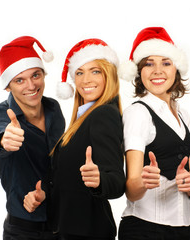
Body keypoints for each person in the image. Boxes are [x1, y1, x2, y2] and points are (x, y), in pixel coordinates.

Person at [23, 38, 126, 240]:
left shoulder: (103, 114)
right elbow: (66, 180)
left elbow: (117, 181)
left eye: (95, 71)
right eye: (79, 72)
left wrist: (99, 180)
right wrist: (43, 193)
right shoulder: (83, 117)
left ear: (109, 75)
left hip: (86, 232)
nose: (86, 80)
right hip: (69, 230)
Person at [117, 27, 190, 240]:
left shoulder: (184, 115)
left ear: (176, 69)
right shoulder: (138, 113)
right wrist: (144, 181)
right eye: (149, 63)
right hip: (145, 229)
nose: (157, 70)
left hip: (183, 228)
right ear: (139, 71)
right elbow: (132, 189)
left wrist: (189, 182)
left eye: (166, 62)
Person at [0, 36, 65, 240]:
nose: (31, 85)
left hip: (62, 224)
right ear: (8, 86)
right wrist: (5, 139)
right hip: (23, 231)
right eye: (19, 80)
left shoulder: (53, 108)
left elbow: (58, 165)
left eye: (35, 75)